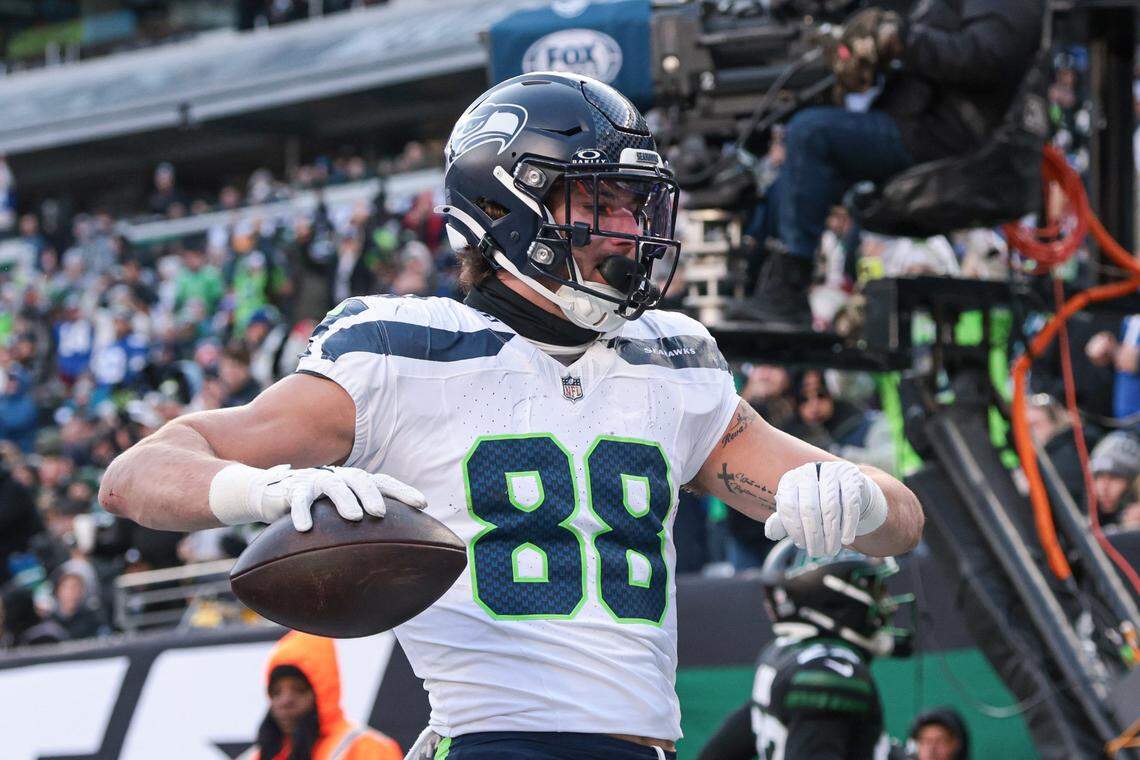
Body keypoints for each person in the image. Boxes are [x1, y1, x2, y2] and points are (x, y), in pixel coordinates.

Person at [100, 72, 923, 759]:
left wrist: (859, 500)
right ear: (507, 207)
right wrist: (269, 492)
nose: (632, 231)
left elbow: (902, 523)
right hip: (495, 741)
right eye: (603, 203)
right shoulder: (403, 351)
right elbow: (135, 476)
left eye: (638, 206)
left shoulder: (671, 359)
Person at [744, 0, 1045, 327]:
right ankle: (759, 284)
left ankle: (789, 290)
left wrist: (901, 39)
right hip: (914, 126)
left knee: (811, 133)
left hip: (945, 139)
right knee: (790, 170)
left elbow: (987, 57)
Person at [697, 539, 912, 759]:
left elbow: (716, 754)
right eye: (875, 589)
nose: (891, 604)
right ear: (834, 600)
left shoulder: (783, 652)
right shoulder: (830, 672)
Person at [239, 631, 402, 760]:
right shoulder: (257, 755)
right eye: (276, 692)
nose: (285, 701)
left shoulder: (367, 749)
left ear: (324, 692)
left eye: (299, 689)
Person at [1089, 431, 1140, 528]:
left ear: (1133, 483)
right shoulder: (1085, 523)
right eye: (1098, 477)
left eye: (1114, 477)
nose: (1103, 488)